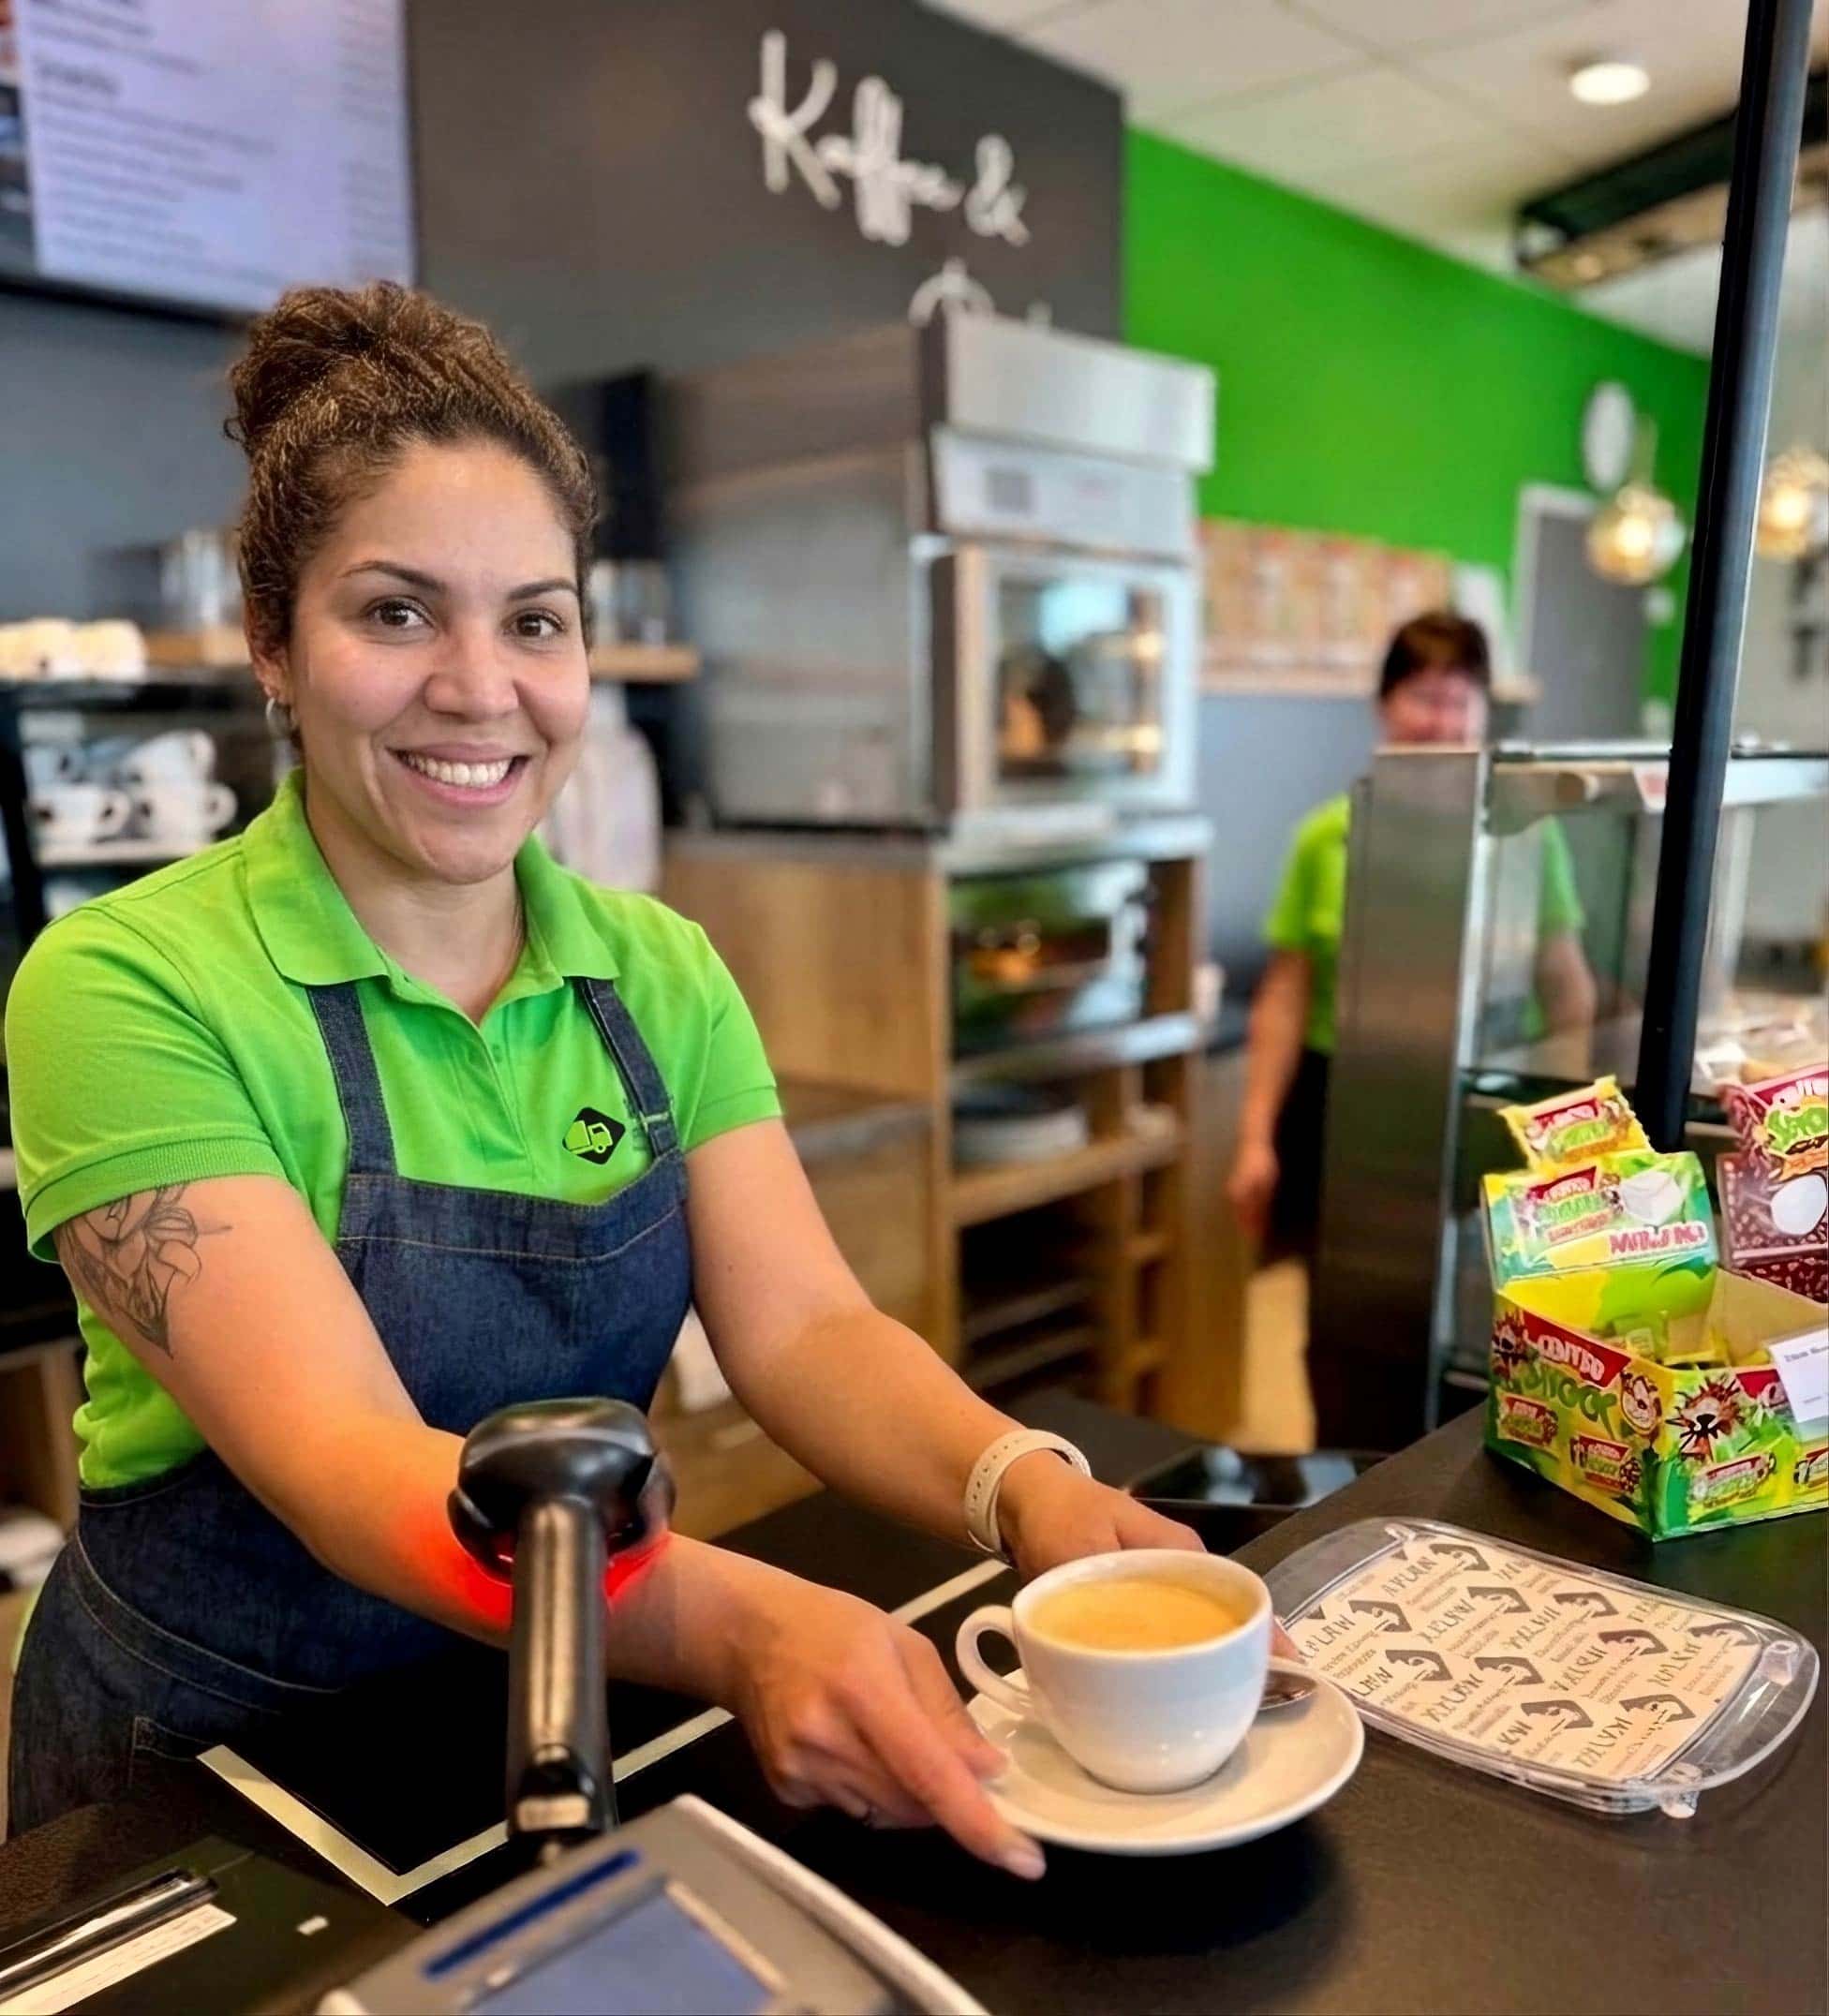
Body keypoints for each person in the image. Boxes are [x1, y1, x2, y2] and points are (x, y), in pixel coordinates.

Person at [6, 285, 1203, 1861]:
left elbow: (806, 1329)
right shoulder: (124, 983)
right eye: (394, 611)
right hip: (214, 1776)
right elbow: (347, 1467)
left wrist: (1019, 1485)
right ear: (271, 644)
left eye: (534, 618)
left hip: (560, 1698)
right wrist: (753, 1627)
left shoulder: (659, 971)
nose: (480, 687)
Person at [1227, 612, 1596, 1253]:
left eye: (1460, 702)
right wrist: (1254, 1138)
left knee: (1475, 1295)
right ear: (1383, 707)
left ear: (1485, 714)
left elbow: (1567, 989)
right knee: (1339, 1299)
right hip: (1340, 1101)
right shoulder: (1325, 836)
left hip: (1483, 1097)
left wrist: (1568, 1135)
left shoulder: (1526, 835)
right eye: (1424, 698)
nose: (1441, 724)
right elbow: (1283, 998)